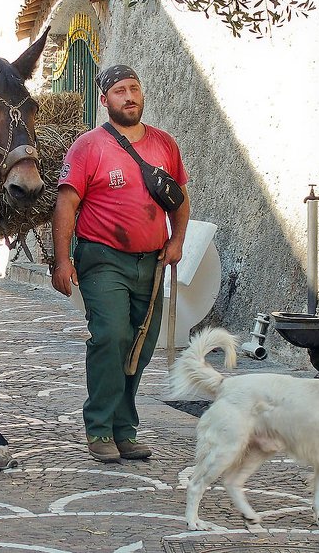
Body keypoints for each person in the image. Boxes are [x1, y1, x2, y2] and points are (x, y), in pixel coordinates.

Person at [51, 64, 190, 463]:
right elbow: (66, 204)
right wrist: (63, 260)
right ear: (104, 100)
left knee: (140, 346)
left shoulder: (164, 144)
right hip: (103, 258)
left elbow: (179, 198)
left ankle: (124, 430)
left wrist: (177, 240)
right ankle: (99, 429)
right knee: (111, 337)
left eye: (134, 89)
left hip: (153, 261)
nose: (129, 96)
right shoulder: (88, 146)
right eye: (119, 91)